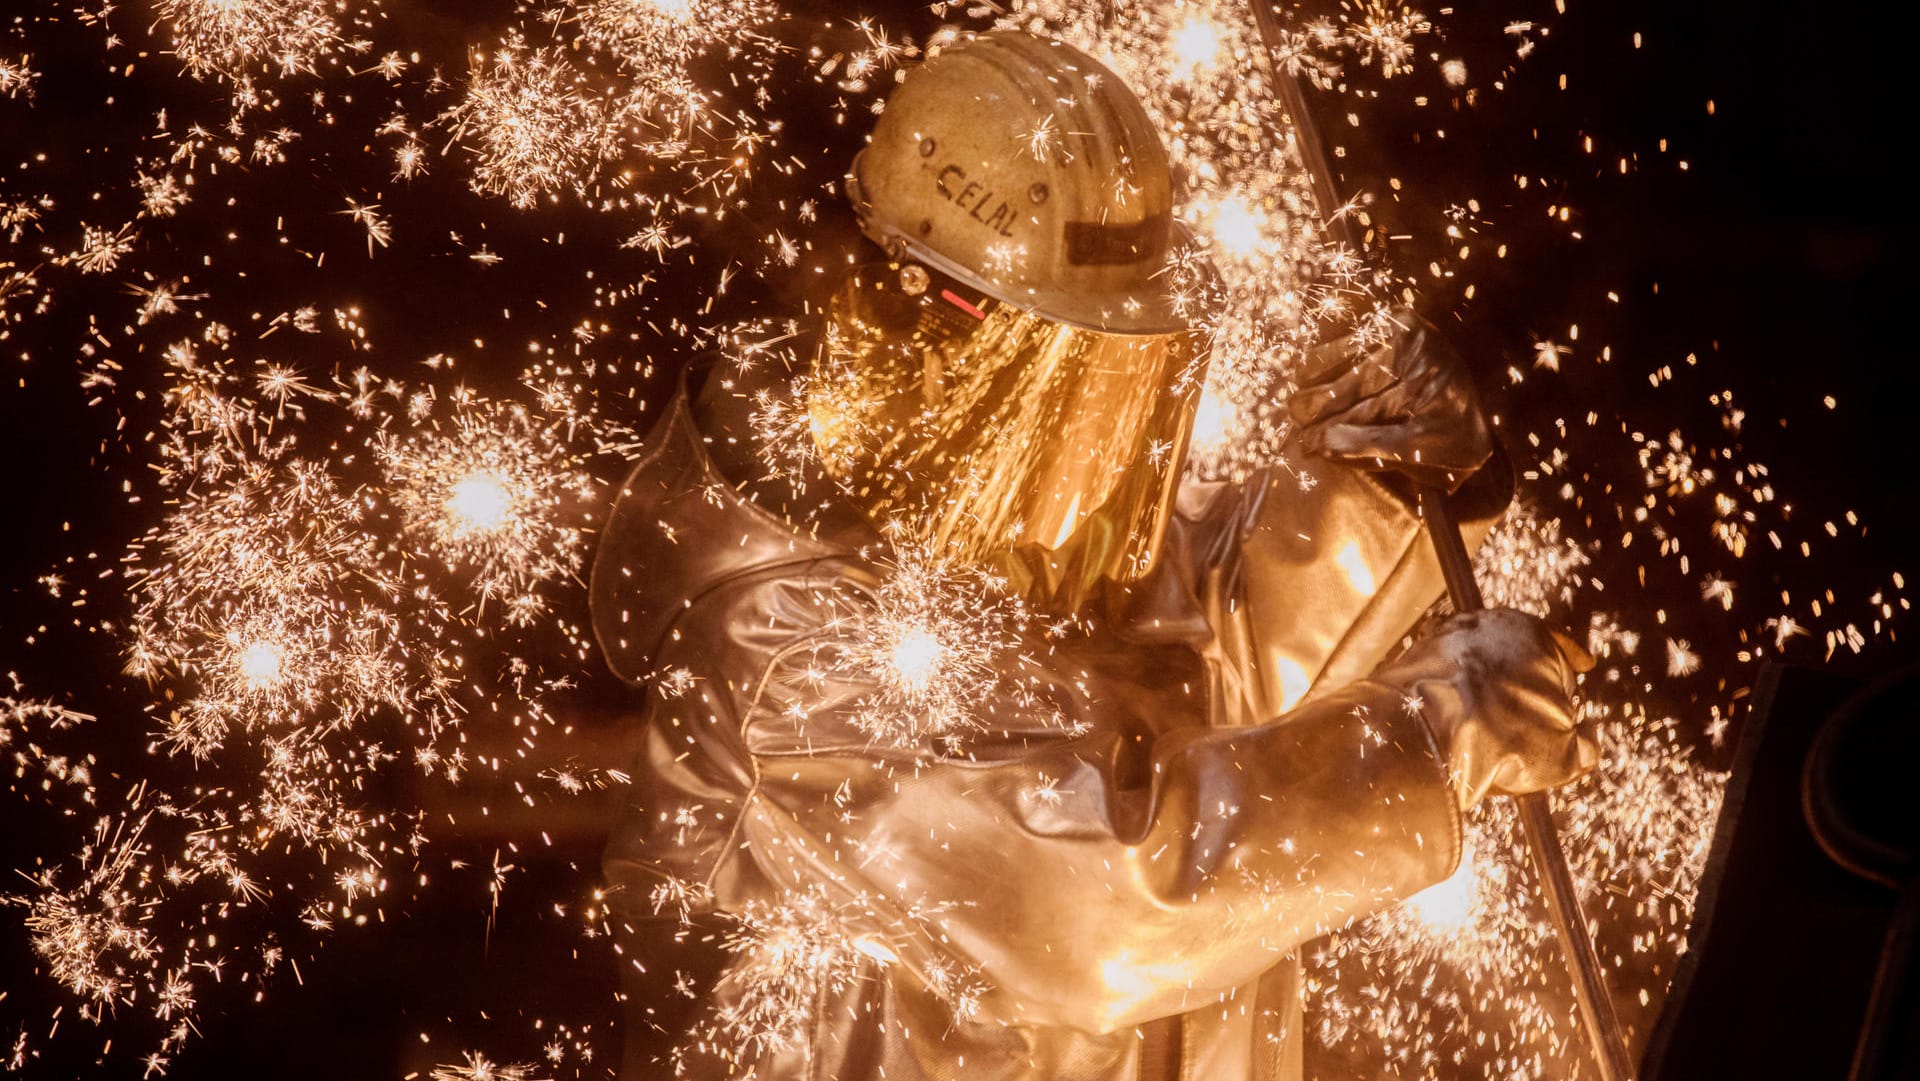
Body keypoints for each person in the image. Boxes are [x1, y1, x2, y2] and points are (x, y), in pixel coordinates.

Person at [589, 30, 1595, 1081]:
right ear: (934, 340)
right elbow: (1116, 897)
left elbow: (1220, 684)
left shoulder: (1035, 561)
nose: (1088, 427)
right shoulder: (790, 659)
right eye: (1063, 375)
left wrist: (1384, 476)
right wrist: (1427, 734)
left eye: (1118, 376)